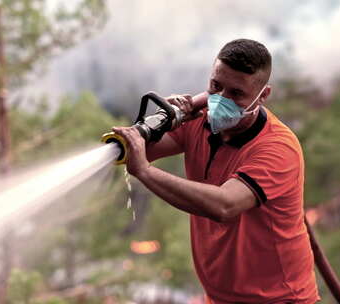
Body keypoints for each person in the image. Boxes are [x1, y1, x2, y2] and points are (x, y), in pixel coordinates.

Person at [112, 38, 320, 304]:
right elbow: (139, 150)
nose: (220, 100)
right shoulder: (198, 121)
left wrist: (145, 172)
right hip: (220, 297)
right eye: (215, 86)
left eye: (236, 93)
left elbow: (224, 205)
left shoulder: (278, 148)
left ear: (263, 95)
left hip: (279, 299)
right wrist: (160, 122)